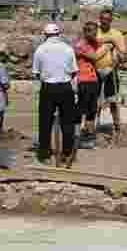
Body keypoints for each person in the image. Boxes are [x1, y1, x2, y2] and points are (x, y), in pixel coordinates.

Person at [32, 23, 78, 167]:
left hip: (48, 88)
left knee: (45, 122)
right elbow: (74, 72)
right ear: (59, 34)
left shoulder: (40, 50)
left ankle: (44, 154)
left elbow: (36, 74)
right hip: (65, 88)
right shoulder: (68, 49)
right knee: (67, 122)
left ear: (45, 35)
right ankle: (67, 152)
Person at [74, 21, 113, 147]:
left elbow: (105, 40)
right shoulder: (80, 45)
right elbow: (94, 57)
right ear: (86, 32)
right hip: (84, 80)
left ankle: (89, 137)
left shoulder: (94, 43)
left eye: (96, 32)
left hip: (94, 80)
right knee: (81, 109)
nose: (95, 34)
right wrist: (107, 47)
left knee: (92, 110)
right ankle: (75, 136)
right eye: (92, 32)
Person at [94, 8, 127, 140]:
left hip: (110, 70)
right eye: (102, 19)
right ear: (99, 19)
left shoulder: (117, 34)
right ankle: (94, 126)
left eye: (107, 20)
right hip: (94, 70)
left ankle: (117, 126)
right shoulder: (94, 32)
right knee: (95, 100)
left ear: (111, 20)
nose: (104, 22)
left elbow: (123, 54)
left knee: (113, 100)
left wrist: (118, 58)